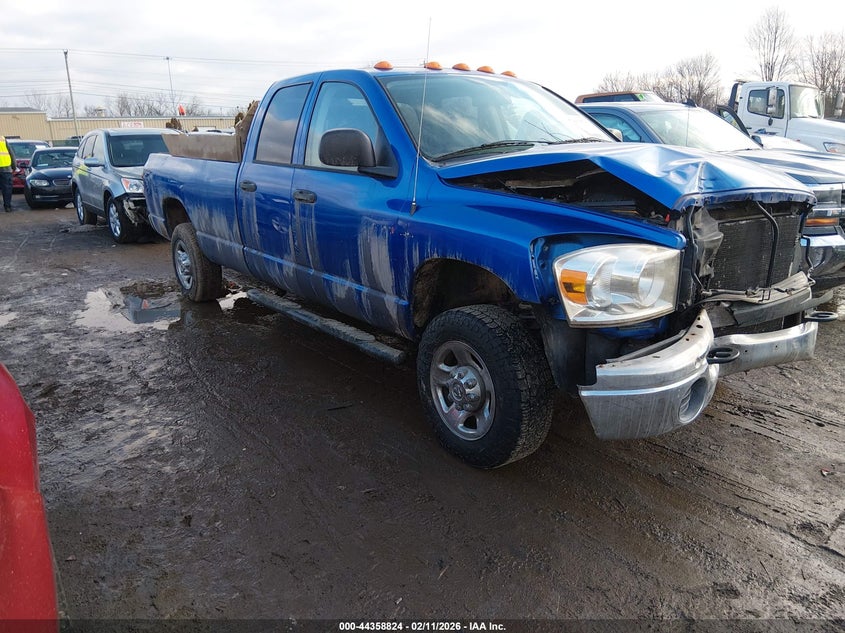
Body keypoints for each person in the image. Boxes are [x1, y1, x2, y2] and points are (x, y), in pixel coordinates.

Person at [0, 136, 14, 212]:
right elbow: (11, 153)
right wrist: (14, 166)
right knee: (7, 189)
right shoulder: (2, 139)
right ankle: (7, 206)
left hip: (6, 168)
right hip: (6, 169)